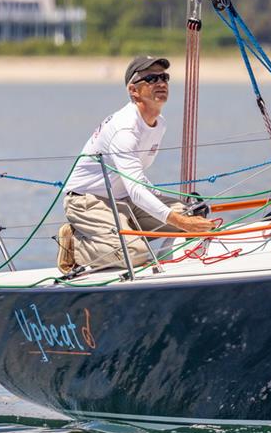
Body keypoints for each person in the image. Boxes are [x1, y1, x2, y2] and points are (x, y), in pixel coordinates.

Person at [57, 56, 214, 274]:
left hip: (124, 199)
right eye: (151, 78)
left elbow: (137, 181)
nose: (161, 83)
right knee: (136, 253)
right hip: (88, 201)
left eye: (164, 77)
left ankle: (122, 230)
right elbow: (136, 189)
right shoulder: (124, 129)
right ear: (134, 90)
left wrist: (184, 217)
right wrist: (179, 221)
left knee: (195, 215)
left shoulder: (159, 125)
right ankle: (76, 244)